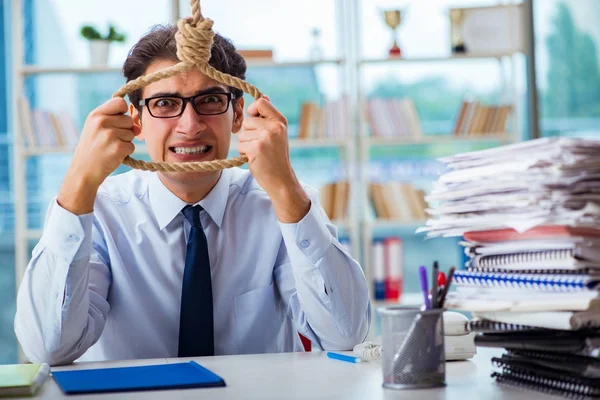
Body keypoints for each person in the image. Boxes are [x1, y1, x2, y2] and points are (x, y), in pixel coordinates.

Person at [14, 24, 371, 366]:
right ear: (136, 121)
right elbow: (48, 348)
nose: (190, 126)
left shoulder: (282, 204)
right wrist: (79, 180)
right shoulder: (100, 211)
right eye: (166, 104)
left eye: (210, 100)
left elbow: (344, 336)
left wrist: (285, 187)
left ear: (237, 115)